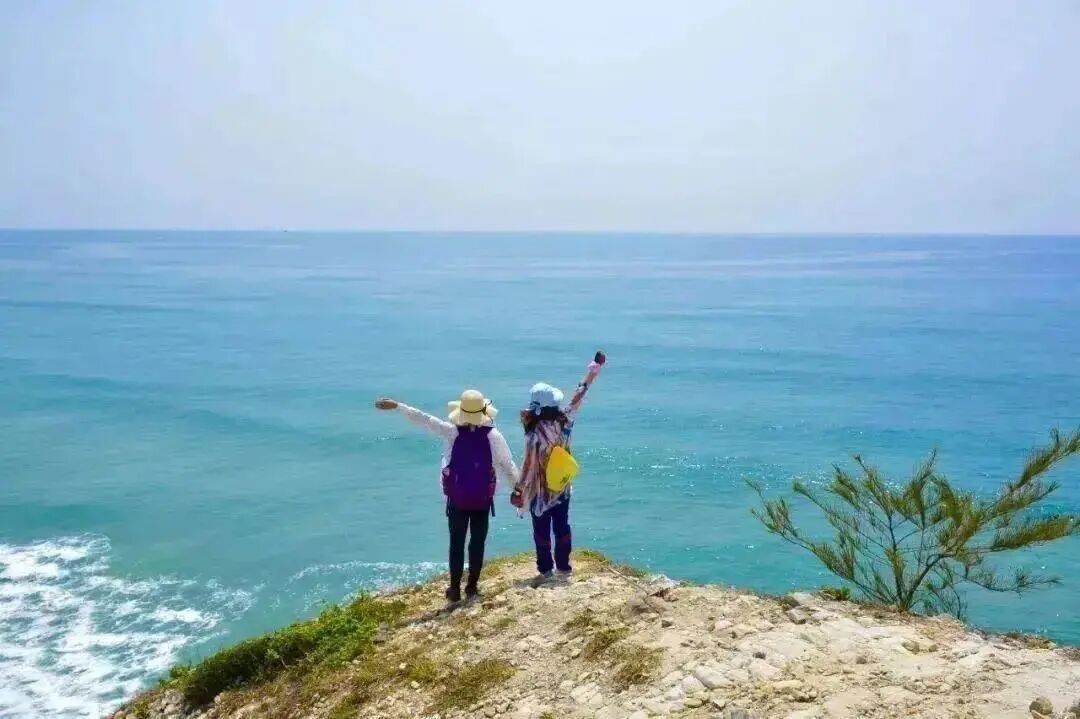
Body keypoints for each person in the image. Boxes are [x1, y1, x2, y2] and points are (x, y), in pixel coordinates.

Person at [375, 390, 519, 603]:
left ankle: (454, 589)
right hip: (482, 500)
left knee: (456, 543)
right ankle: (472, 587)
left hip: (457, 499)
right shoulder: (493, 436)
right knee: (477, 543)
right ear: (484, 413)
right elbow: (508, 465)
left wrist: (398, 406)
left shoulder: (451, 432)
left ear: (461, 411)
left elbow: (425, 420)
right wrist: (518, 488)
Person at [511, 351, 605, 586]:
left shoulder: (533, 434)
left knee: (541, 531)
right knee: (562, 527)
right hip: (562, 484)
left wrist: (519, 490)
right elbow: (580, 393)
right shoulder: (566, 420)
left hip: (541, 491)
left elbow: (528, 465)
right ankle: (564, 566)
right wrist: (594, 370)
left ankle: (546, 570)